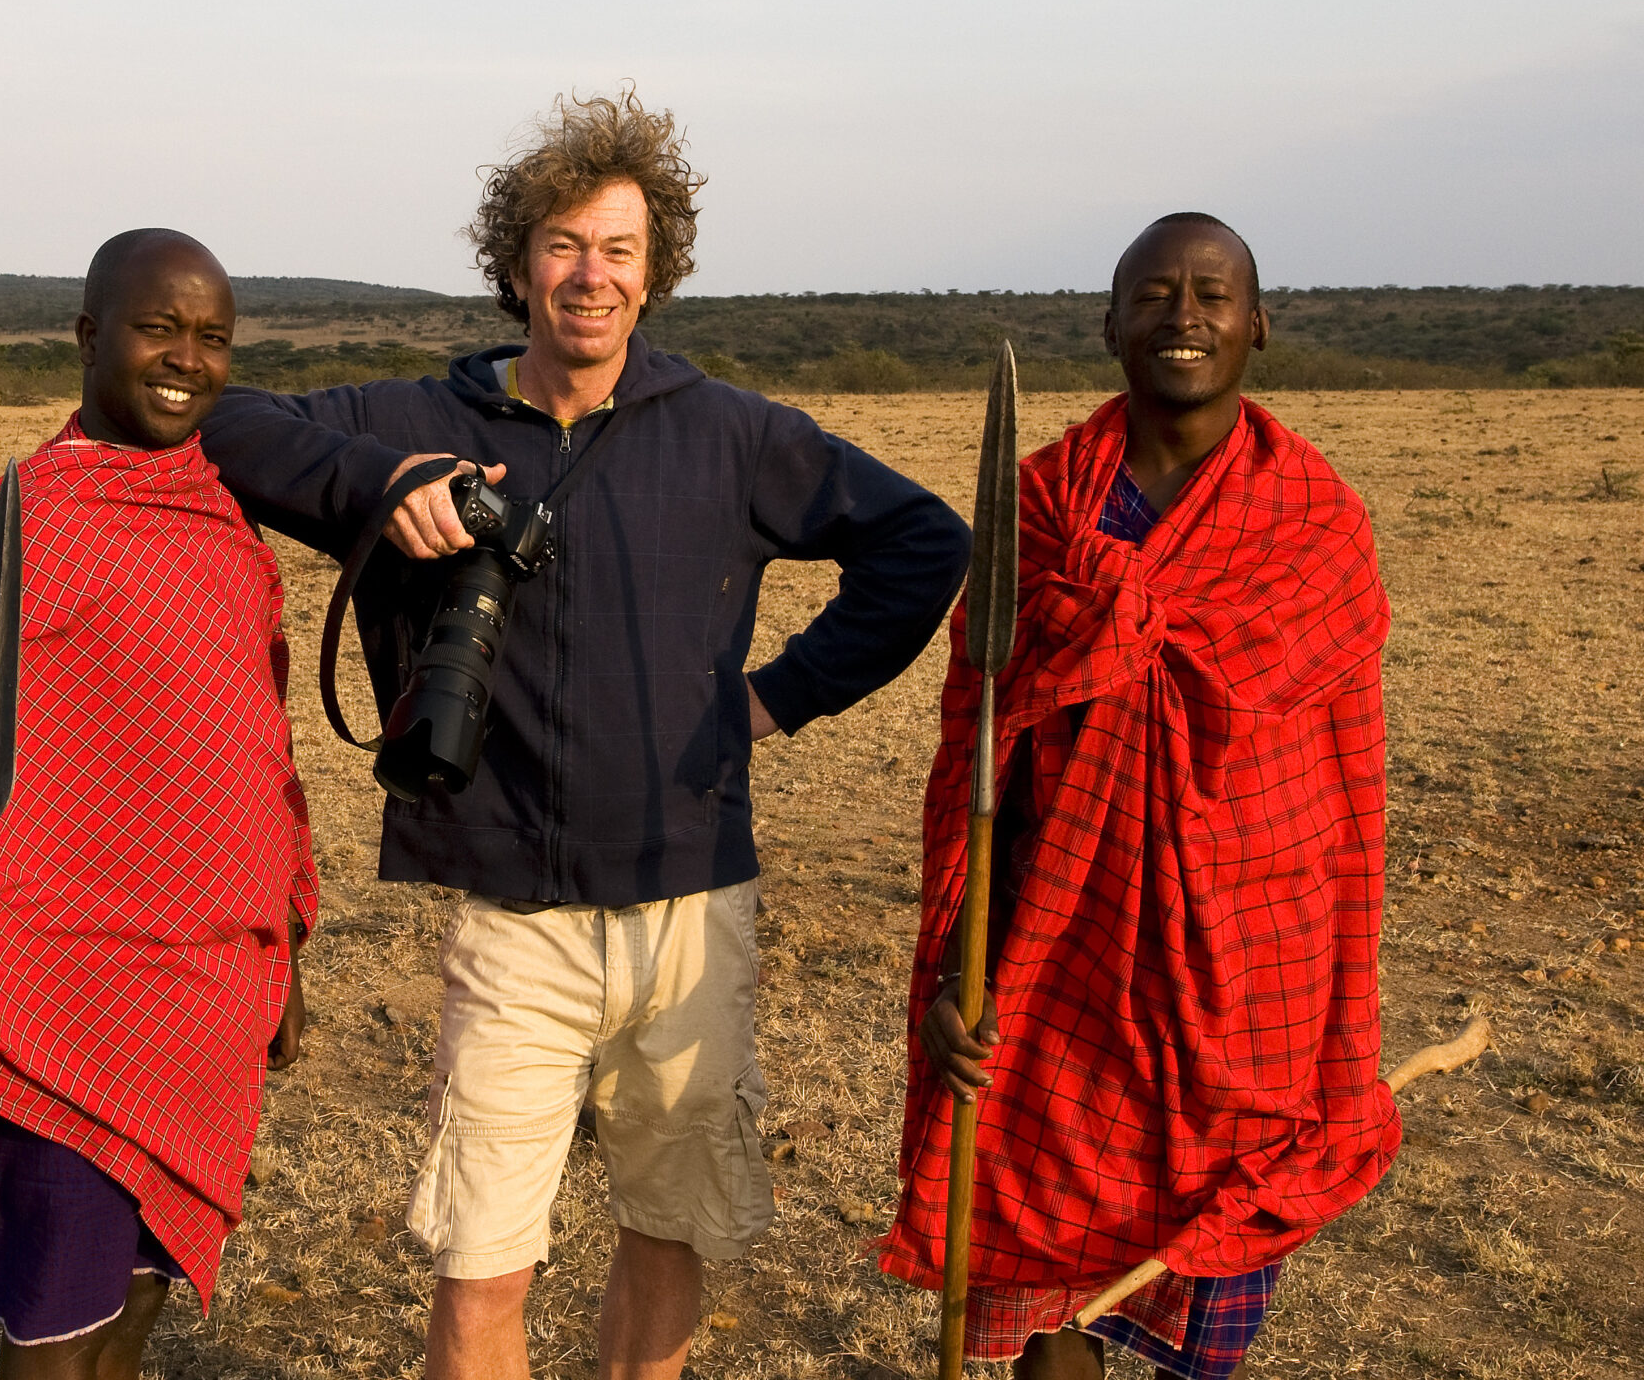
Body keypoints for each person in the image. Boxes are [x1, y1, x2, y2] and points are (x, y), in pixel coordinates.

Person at [193, 91, 973, 1380]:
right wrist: (386, 486)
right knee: (480, 1264)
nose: (590, 275)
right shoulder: (420, 420)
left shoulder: (727, 433)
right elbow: (225, 419)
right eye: (562, 245)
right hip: (512, 917)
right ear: (516, 267)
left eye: (618, 249)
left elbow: (922, 541)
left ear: (654, 272)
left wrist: (774, 698)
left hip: (689, 905)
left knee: (666, 1234)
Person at [880, 213, 1401, 1380]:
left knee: (1203, 1257)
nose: (1184, 316)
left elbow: (1342, 781)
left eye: (1212, 295)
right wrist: (960, 962)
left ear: (1256, 326)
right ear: (1109, 324)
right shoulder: (1040, 507)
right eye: (1155, 294)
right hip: (1060, 945)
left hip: (1248, 963)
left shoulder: (1312, 522)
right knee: (1047, 1283)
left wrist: (1332, 988)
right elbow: (980, 757)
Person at [0, 229, 318, 1378]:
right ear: (89, 335)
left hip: (205, 1005)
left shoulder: (226, 527)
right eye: (159, 329)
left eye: (212, 337)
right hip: (64, 1004)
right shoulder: (33, 519)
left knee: (133, 1311)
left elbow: (259, 748)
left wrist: (284, 942)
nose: (187, 358)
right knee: (56, 1331)